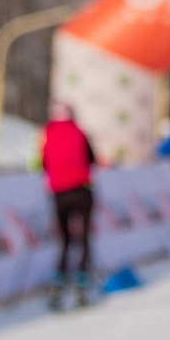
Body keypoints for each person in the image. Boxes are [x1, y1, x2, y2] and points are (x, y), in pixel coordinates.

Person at [38, 102, 99, 310]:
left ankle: (59, 277)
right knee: (83, 236)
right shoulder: (80, 133)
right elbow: (92, 158)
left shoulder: (47, 134)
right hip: (81, 190)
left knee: (64, 239)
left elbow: (42, 162)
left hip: (58, 193)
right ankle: (82, 277)